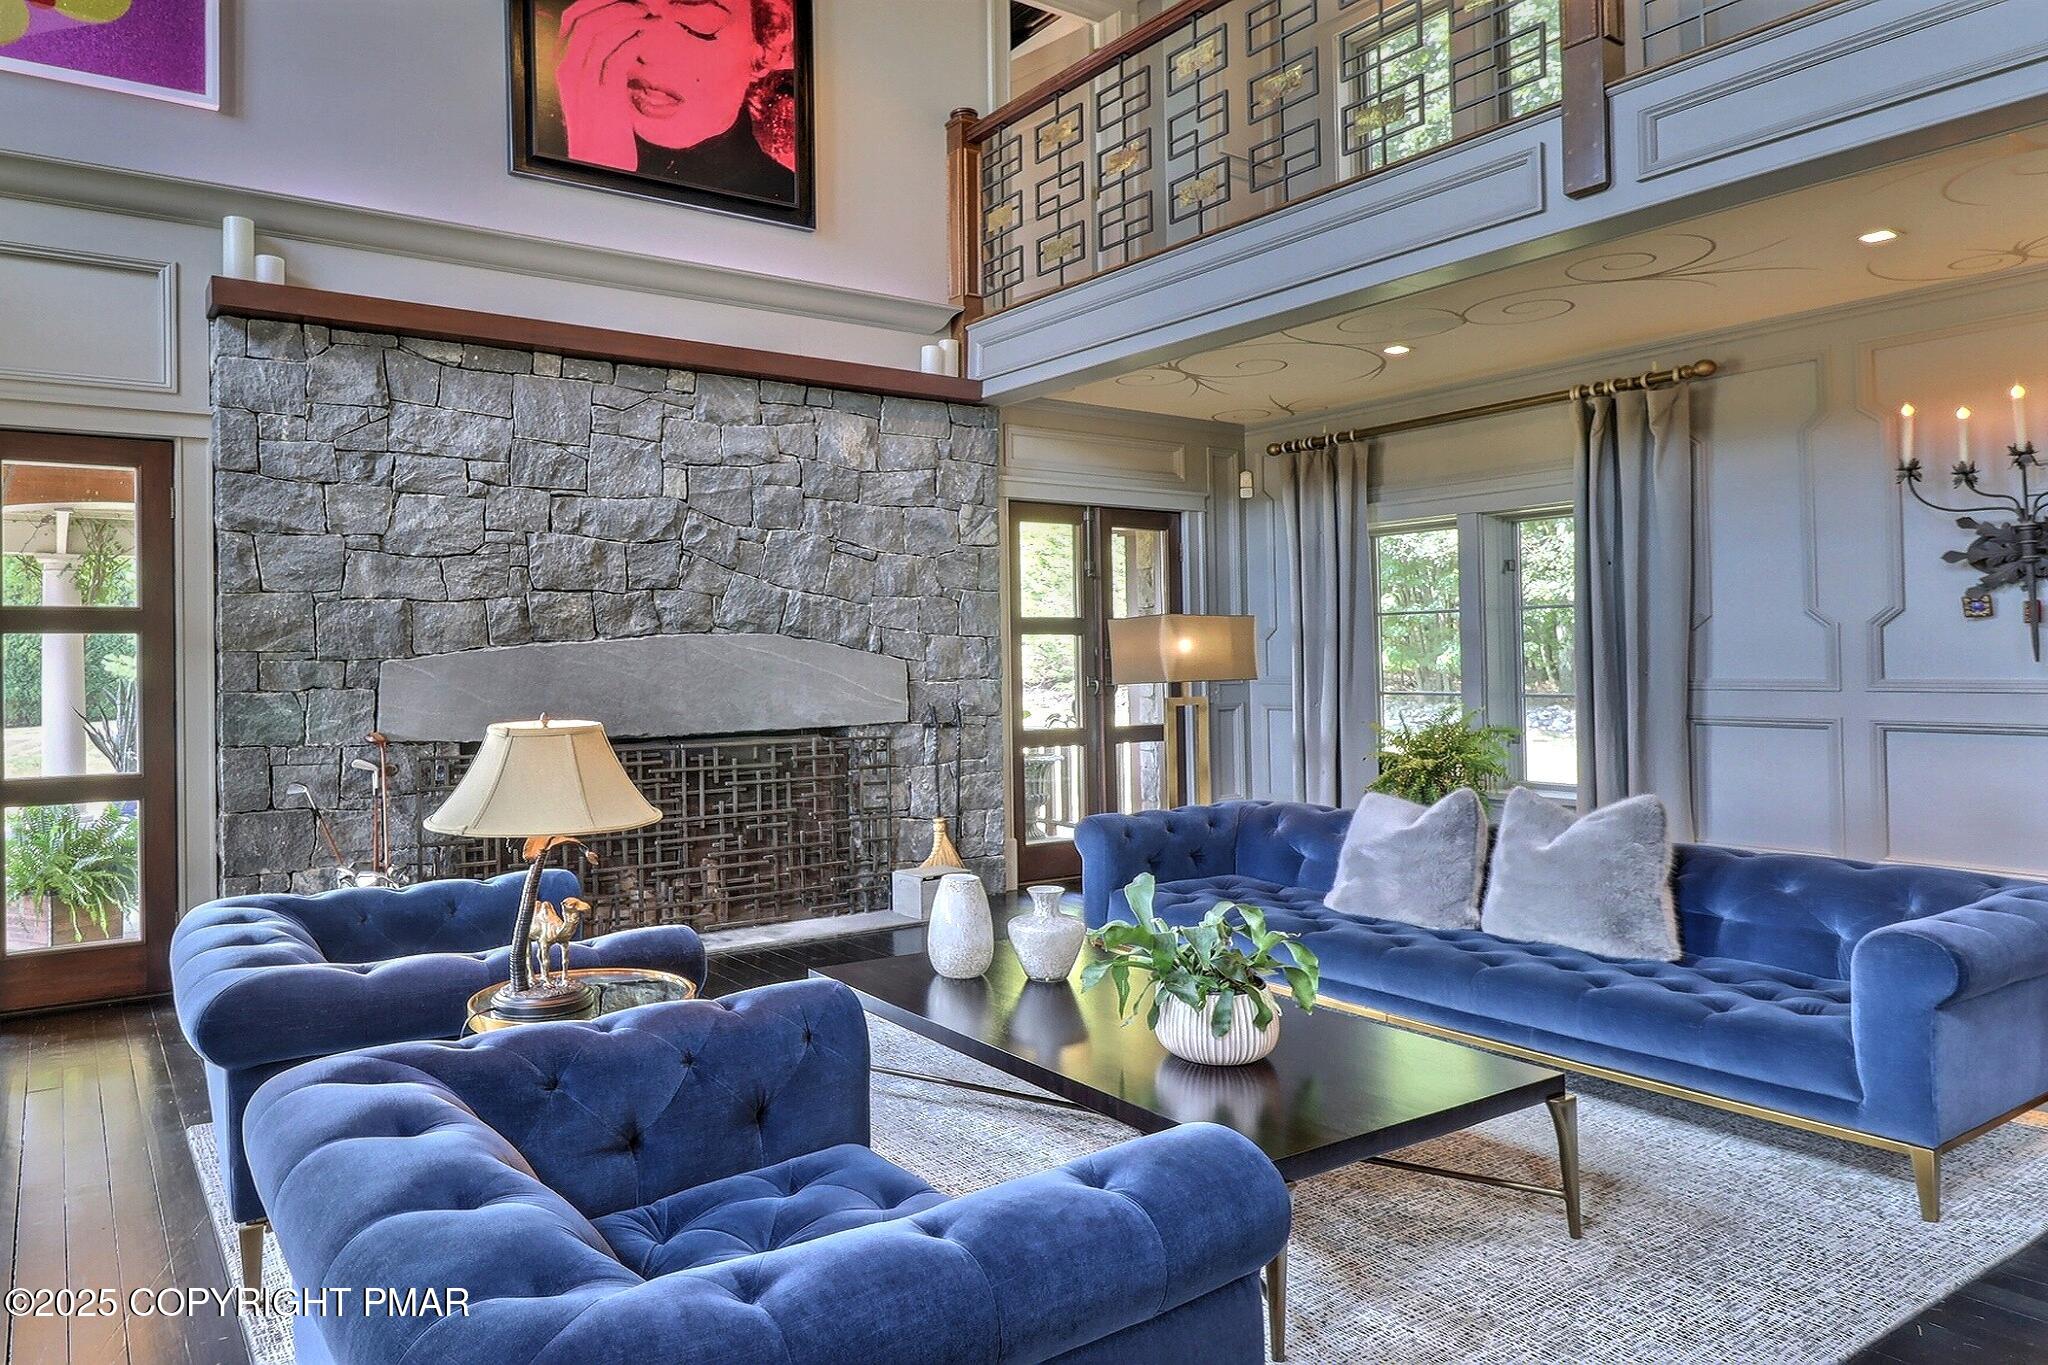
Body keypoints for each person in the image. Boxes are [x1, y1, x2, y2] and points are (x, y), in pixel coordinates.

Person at [554, 0, 797, 204]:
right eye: (629, 13)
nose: (646, 51)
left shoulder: (784, 197)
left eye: (696, 25)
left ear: (763, 52)